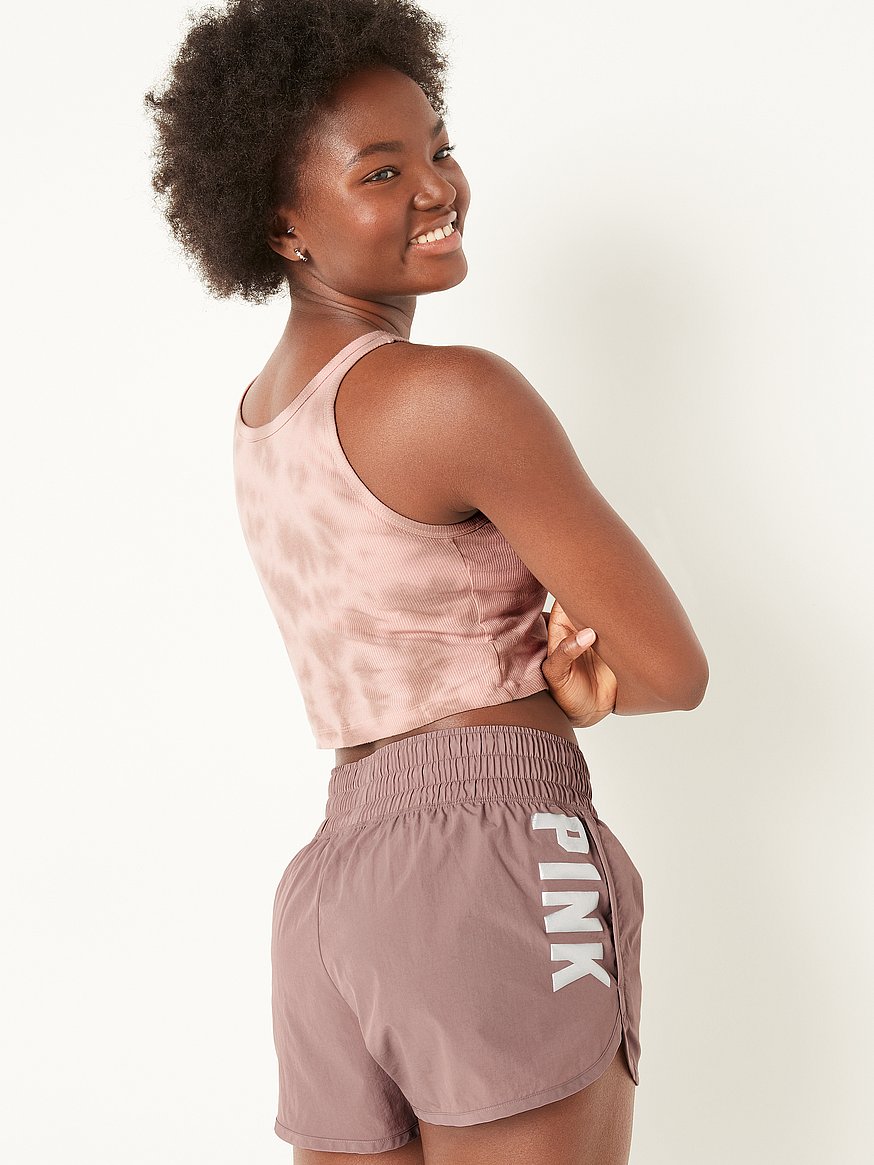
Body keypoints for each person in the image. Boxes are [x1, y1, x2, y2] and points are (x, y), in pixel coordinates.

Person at [144, 2, 709, 1161]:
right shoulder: (452, 395)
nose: (437, 188)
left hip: (332, 892)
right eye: (381, 171)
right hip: (492, 854)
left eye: (439, 149)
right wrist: (572, 693)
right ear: (283, 225)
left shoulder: (261, 421)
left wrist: (542, 680)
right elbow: (670, 668)